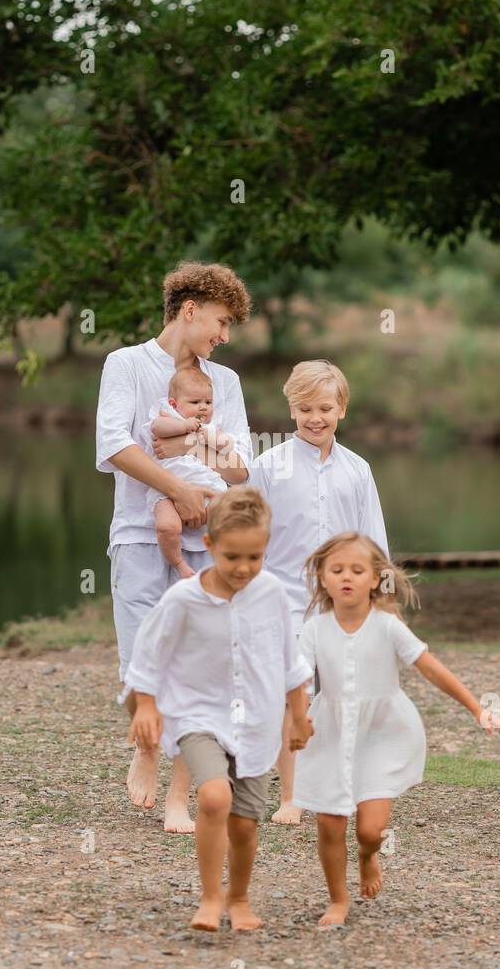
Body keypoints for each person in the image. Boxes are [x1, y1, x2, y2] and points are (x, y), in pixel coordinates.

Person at [96, 261, 252, 831]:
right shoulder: (127, 365)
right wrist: (176, 485)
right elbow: (115, 444)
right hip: (140, 533)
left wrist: (190, 460)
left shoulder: (225, 383)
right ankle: (145, 745)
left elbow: (240, 469)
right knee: (141, 653)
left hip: (207, 539)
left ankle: (180, 796)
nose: (224, 335)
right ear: (189, 310)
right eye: (221, 321)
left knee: (201, 659)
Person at [291, 531, 500, 928]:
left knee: (370, 829)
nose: (347, 577)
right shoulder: (314, 629)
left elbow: (430, 667)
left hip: (382, 735)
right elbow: (300, 680)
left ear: (376, 579)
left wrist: (478, 709)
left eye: (358, 570)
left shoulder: (387, 626)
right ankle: (338, 899)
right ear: (322, 577)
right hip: (330, 733)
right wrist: (298, 717)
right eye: (337, 570)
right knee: (330, 822)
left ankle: (368, 854)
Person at [125, 488, 314, 931]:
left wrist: (300, 717)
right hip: (198, 714)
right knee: (213, 796)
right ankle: (210, 898)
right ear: (209, 546)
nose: (244, 568)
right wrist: (146, 706)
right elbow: (148, 655)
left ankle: (240, 898)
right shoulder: (182, 600)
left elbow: (291, 664)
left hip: (257, 722)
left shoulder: (270, 594)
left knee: (246, 824)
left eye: (256, 557)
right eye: (233, 557)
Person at [249, 359, 388, 824]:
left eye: (325, 408)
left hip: (345, 605)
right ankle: (291, 795)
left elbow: (374, 542)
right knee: (297, 697)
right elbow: (251, 539)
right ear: (291, 410)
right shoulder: (268, 467)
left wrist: (380, 604)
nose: (315, 418)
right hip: (284, 601)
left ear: (342, 409)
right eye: (305, 408)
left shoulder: (358, 471)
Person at [146, 365, 242, 578]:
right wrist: (184, 427)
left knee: (233, 519)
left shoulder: (210, 428)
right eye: (195, 402)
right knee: (166, 527)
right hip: (166, 490)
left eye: (208, 402)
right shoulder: (167, 416)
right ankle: (179, 564)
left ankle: (232, 562)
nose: (203, 408)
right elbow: (156, 429)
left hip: (208, 489)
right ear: (174, 404)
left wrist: (201, 438)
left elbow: (226, 446)